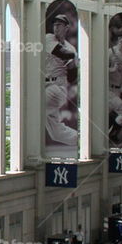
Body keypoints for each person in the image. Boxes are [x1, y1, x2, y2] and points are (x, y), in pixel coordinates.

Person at [45, 13, 79, 147]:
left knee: (32, 107)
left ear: (66, 27)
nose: (56, 27)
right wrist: (74, 57)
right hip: (44, 84)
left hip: (57, 88)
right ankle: (81, 139)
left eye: (59, 25)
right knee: (56, 133)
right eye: (54, 24)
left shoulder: (71, 47)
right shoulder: (48, 38)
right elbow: (61, 53)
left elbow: (72, 77)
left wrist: (72, 65)